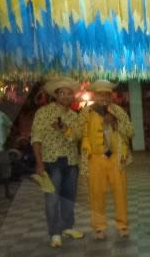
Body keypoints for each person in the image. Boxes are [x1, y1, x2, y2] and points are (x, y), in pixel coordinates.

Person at [32, 77, 84, 248]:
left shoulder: (74, 116)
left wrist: (63, 129)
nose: (66, 96)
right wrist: (39, 163)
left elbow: (76, 137)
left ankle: (67, 227)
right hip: (51, 161)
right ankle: (54, 232)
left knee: (69, 198)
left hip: (71, 160)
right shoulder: (43, 113)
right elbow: (36, 139)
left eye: (70, 94)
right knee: (52, 199)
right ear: (55, 94)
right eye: (63, 93)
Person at [81, 80, 134, 240]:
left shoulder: (118, 111)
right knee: (96, 194)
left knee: (120, 192)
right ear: (94, 96)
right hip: (96, 158)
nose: (104, 97)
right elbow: (82, 134)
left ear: (111, 96)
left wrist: (116, 123)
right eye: (100, 94)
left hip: (116, 158)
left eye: (107, 94)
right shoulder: (87, 112)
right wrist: (88, 150)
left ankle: (122, 225)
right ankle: (99, 227)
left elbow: (130, 131)